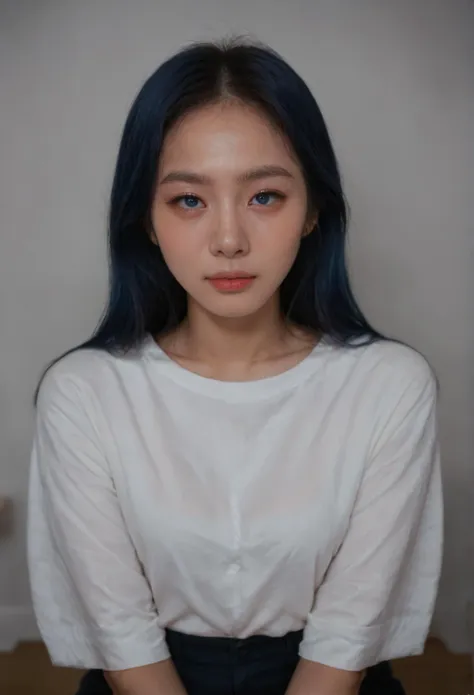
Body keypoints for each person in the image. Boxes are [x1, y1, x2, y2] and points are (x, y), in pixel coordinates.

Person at [27, 38, 442, 695]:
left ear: (311, 211)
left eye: (265, 197)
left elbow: (345, 635)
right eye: (189, 200)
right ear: (148, 221)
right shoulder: (83, 393)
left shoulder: (388, 385)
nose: (227, 240)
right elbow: (123, 635)